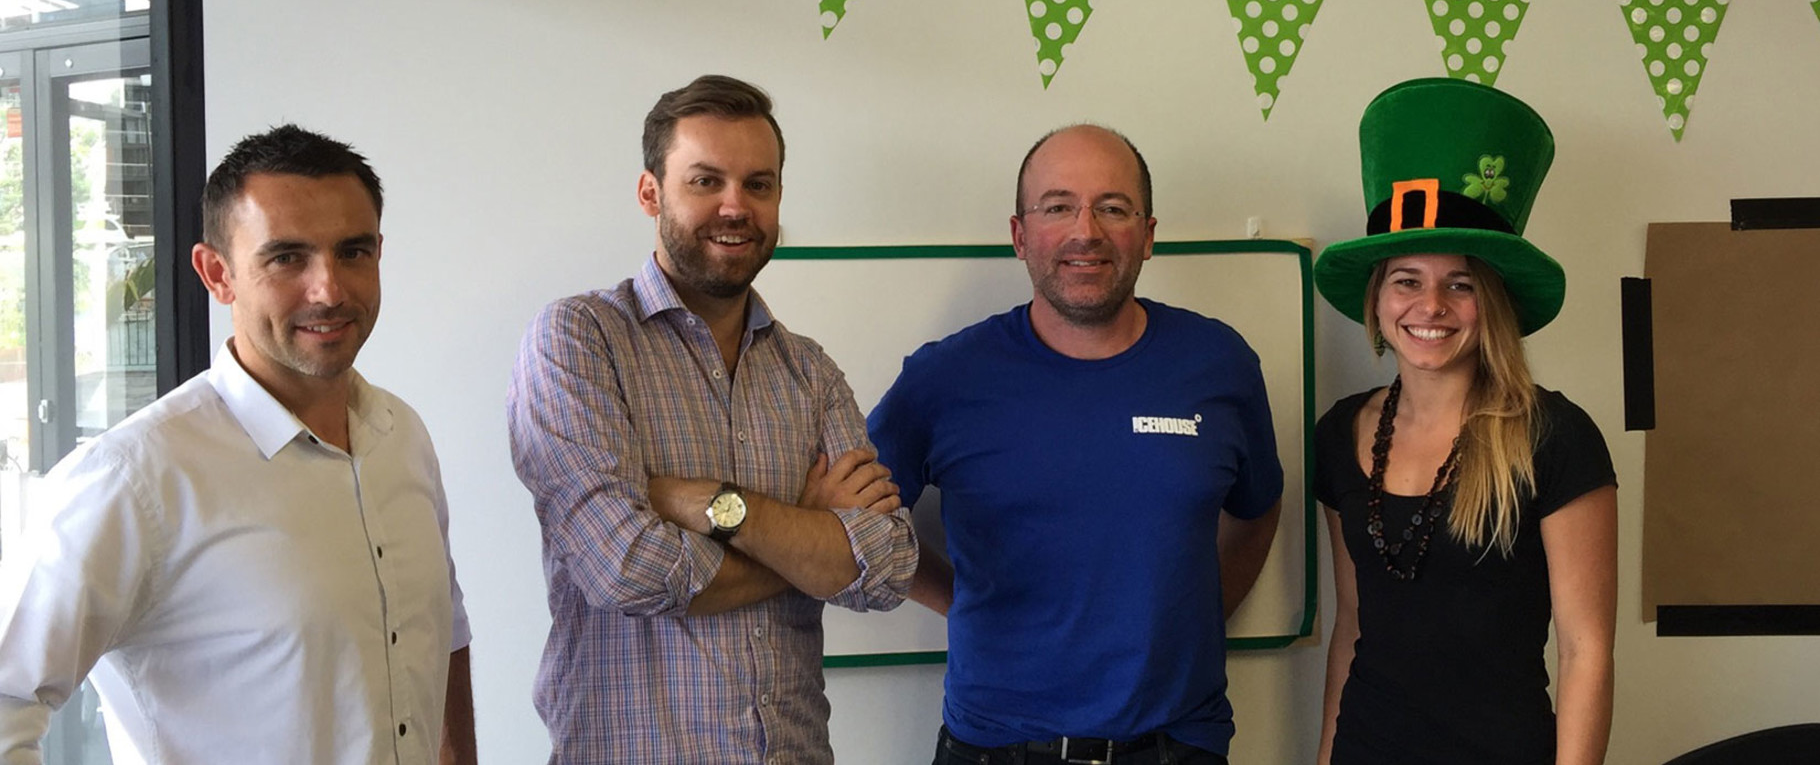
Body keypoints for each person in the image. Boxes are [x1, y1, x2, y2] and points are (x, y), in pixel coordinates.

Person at [0, 125, 475, 763]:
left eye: (353, 252)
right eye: (287, 258)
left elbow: (440, 628)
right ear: (217, 273)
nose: (329, 289)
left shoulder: (403, 435)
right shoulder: (137, 477)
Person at [508, 74, 917, 765]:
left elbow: (886, 568)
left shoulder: (809, 372)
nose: (736, 206)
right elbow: (627, 569)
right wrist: (805, 537)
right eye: (705, 181)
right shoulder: (579, 340)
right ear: (650, 193)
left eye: (759, 184)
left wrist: (709, 505)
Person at [868, 124, 1284, 765]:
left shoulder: (1219, 364)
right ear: (1019, 235)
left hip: (1177, 746)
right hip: (995, 748)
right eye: (1057, 206)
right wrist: (959, 599)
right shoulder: (945, 378)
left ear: (1147, 235)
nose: (1085, 231)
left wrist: (1189, 625)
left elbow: (1257, 511)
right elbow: (857, 523)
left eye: (1113, 208)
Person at [1311, 78, 1617, 765]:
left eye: (1461, 283)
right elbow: (1353, 625)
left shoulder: (1554, 437)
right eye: (1406, 279)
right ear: (1377, 298)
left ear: (1493, 302)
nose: (1431, 305)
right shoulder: (1338, 437)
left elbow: (1586, 649)